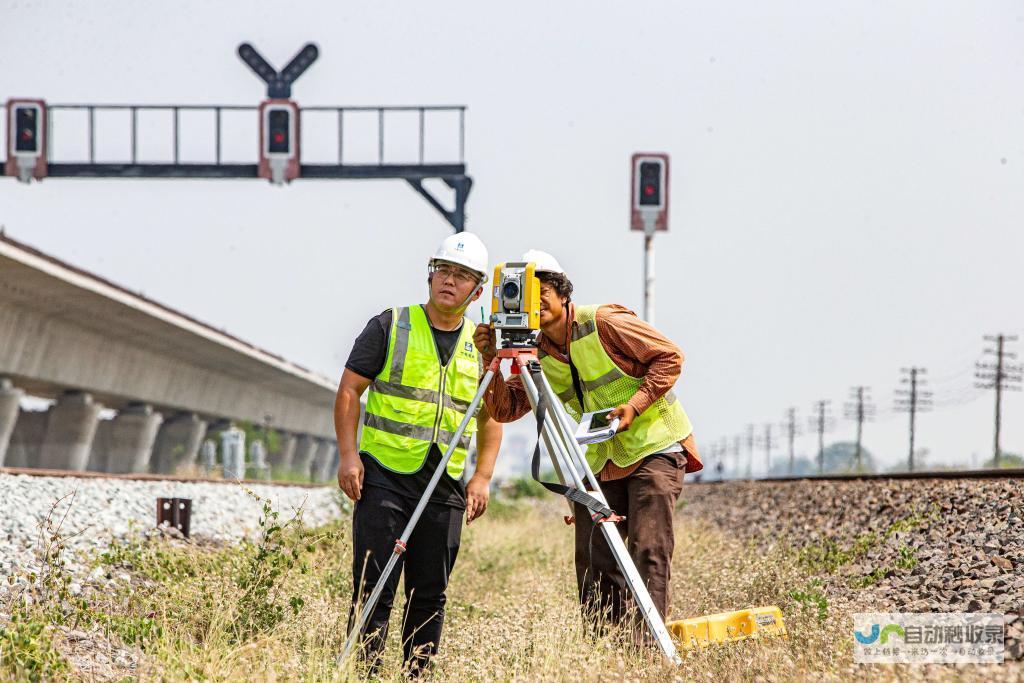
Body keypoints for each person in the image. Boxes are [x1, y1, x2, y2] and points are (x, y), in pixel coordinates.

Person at [474, 249, 701, 629]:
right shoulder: (536, 351)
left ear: (563, 293)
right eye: (525, 292)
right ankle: (606, 651)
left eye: (541, 289)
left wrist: (635, 404)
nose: (535, 300)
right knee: (596, 559)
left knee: (648, 550)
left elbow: (670, 357)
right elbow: (505, 410)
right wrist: (489, 359)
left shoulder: (603, 322)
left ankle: (646, 649)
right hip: (599, 463)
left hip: (653, 448)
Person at [335, 232, 503, 675]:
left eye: (462, 276)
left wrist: (482, 477)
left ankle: (417, 673)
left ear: (478, 290)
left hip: (444, 483)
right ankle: (366, 672)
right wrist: (349, 455)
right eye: (444, 271)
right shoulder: (390, 324)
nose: (450, 281)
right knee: (375, 585)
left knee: (429, 590)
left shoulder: (484, 345)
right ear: (430, 275)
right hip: (384, 475)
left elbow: (492, 416)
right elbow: (351, 389)